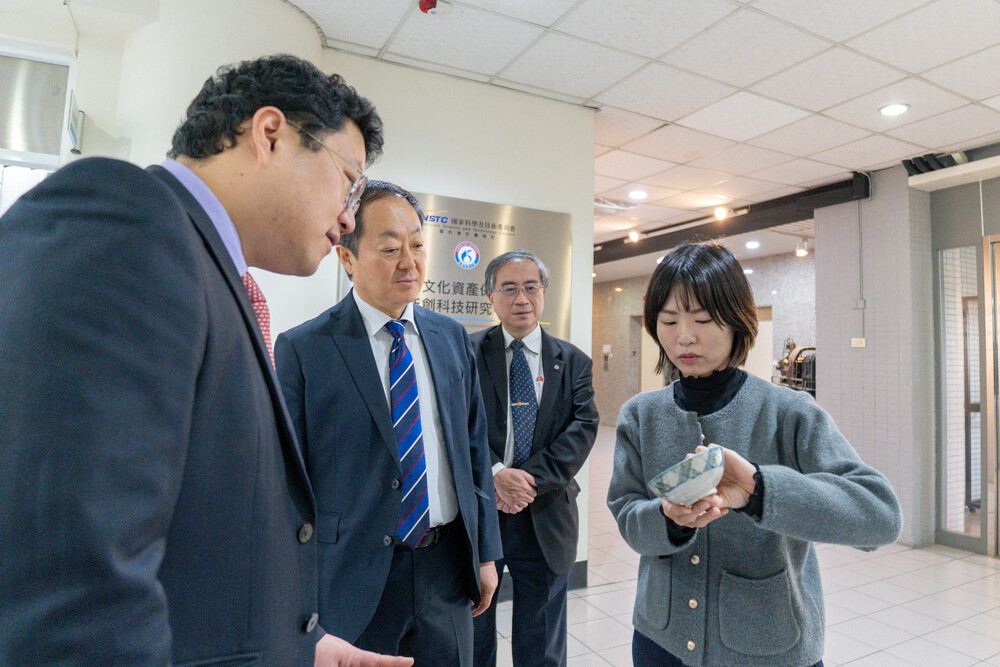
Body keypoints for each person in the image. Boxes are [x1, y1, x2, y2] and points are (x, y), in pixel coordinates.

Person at [0, 54, 411, 666]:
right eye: (349, 181)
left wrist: (298, 645)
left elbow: (192, 530)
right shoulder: (123, 219)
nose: (349, 217)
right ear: (270, 134)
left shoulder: (211, 271)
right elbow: (71, 583)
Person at [607, 241, 902, 667]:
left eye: (703, 320)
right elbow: (627, 514)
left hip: (768, 644)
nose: (683, 337)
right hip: (661, 640)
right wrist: (666, 521)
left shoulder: (788, 413)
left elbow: (880, 516)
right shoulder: (641, 416)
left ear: (737, 322)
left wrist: (762, 491)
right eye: (668, 321)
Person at [274, 180, 503, 667]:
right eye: (390, 248)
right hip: (352, 573)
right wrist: (293, 591)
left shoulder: (451, 338)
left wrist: (485, 553)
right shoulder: (305, 348)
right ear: (347, 258)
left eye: (417, 245)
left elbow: (474, 450)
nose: (410, 262)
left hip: (446, 567)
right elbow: (287, 482)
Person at [470, 250, 599, 666]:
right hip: (482, 512)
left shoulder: (573, 360)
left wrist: (524, 481)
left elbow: (581, 430)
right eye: (509, 288)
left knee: (541, 638)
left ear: (544, 293)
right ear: (491, 296)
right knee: (474, 627)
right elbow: (454, 424)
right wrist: (495, 474)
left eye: (531, 287)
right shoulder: (467, 353)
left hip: (545, 512)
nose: (521, 298)